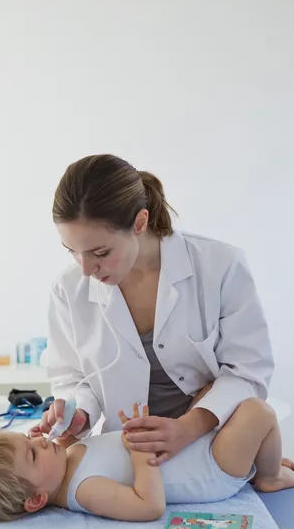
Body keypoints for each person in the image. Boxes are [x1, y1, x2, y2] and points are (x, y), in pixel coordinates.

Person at [30, 153, 277, 466]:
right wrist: (78, 413)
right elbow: (74, 379)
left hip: (215, 441)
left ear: (140, 222)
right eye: (73, 252)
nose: (86, 270)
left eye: (101, 252)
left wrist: (186, 428)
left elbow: (248, 372)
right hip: (129, 453)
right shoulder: (67, 290)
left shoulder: (220, 266)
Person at [0, 395, 294, 523]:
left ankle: (262, 461)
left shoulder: (64, 462)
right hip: (209, 470)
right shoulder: (84, 491)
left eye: (30, 438)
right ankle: (267, 476)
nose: (41, 442)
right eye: (32, 453)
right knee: (257, 412)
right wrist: (139, 453)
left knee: (218, 396)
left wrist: (68, 419)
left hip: (194, 449)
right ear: (36, 499)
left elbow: (83, 446)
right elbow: (149, 506)